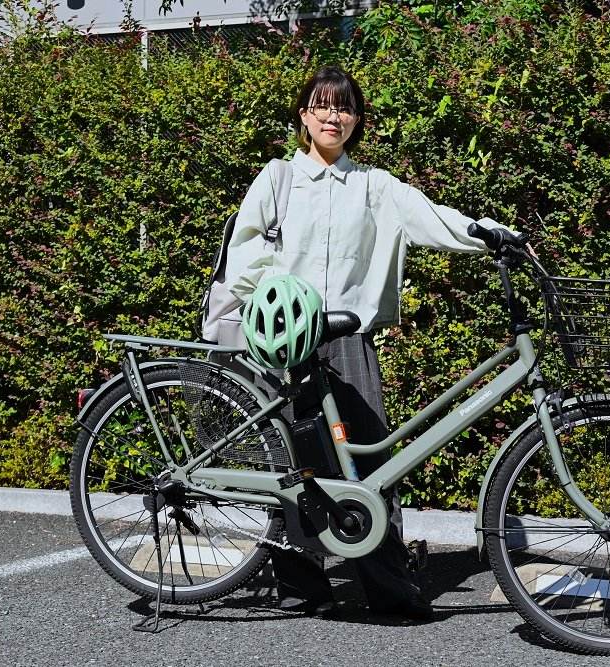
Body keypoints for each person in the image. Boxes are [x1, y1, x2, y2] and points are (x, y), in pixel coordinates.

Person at [225, 65, 509, 621]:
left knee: (373, 461)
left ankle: (390, 589)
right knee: (288, 463)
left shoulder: (374, 186)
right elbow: (244, 248)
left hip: (347, 337)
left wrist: (489, 232)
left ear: (357, 120)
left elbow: (435, 219)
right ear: (303, 114)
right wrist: (273, 296)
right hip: (280, 340)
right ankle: (303, 584)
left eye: (345, 108)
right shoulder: (278, 178)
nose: (334, 116)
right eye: (321, 105)